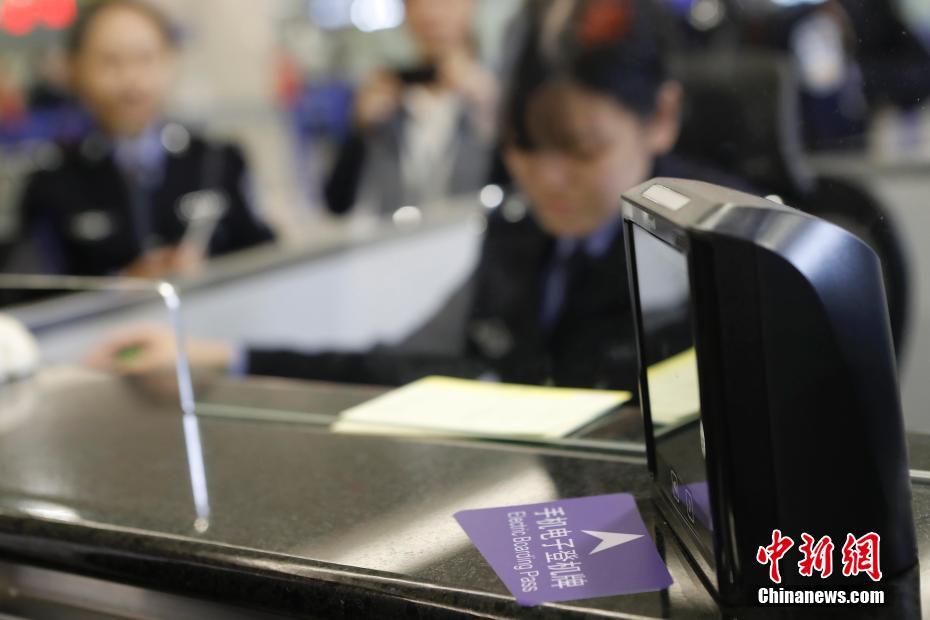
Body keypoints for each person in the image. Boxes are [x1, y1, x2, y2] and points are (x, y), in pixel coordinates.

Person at [89, 0, 745, 391]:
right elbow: (412, 361)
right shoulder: (522, 228)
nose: (547, 178)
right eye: (522, 146)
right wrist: (228, 357)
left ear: (660, 117)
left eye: (580, 148)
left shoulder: (717, 258)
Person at [16, 0, 274, 279]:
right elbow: (33, 288)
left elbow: (264, 257)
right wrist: (120, 288)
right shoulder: (52, 182)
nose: (131, 80)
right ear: (75, 69)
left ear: (171, 61)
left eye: (145, 58)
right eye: (110, 62)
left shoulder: (217, 160)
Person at [323, 0, 499, 216]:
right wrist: (359, 132)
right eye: (415, 3)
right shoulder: (386, 98)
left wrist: (493, 115)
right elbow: (336, 202)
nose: (430, 14)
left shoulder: (496, 91)